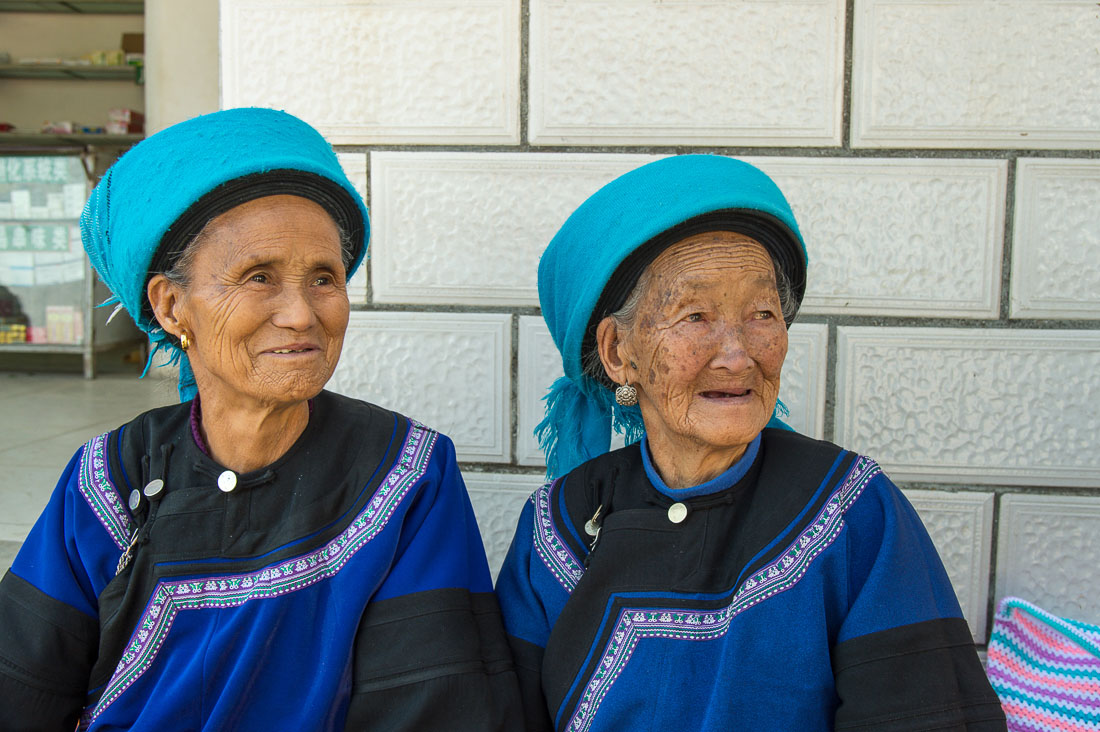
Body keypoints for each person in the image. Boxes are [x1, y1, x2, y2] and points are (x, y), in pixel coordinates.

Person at [0, 108, 521, 731]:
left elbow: (431, 704)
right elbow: (23, 686)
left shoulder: (406, 475)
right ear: (172, 306)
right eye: (259, 277)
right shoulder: (109, 478)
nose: (301, 314)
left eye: (323, 278)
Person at [495, 155, 1006, 731]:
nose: (738, 354)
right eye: (694, 316)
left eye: (762, 313)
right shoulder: (557, 526)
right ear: (619, 353)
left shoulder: (851, 512)